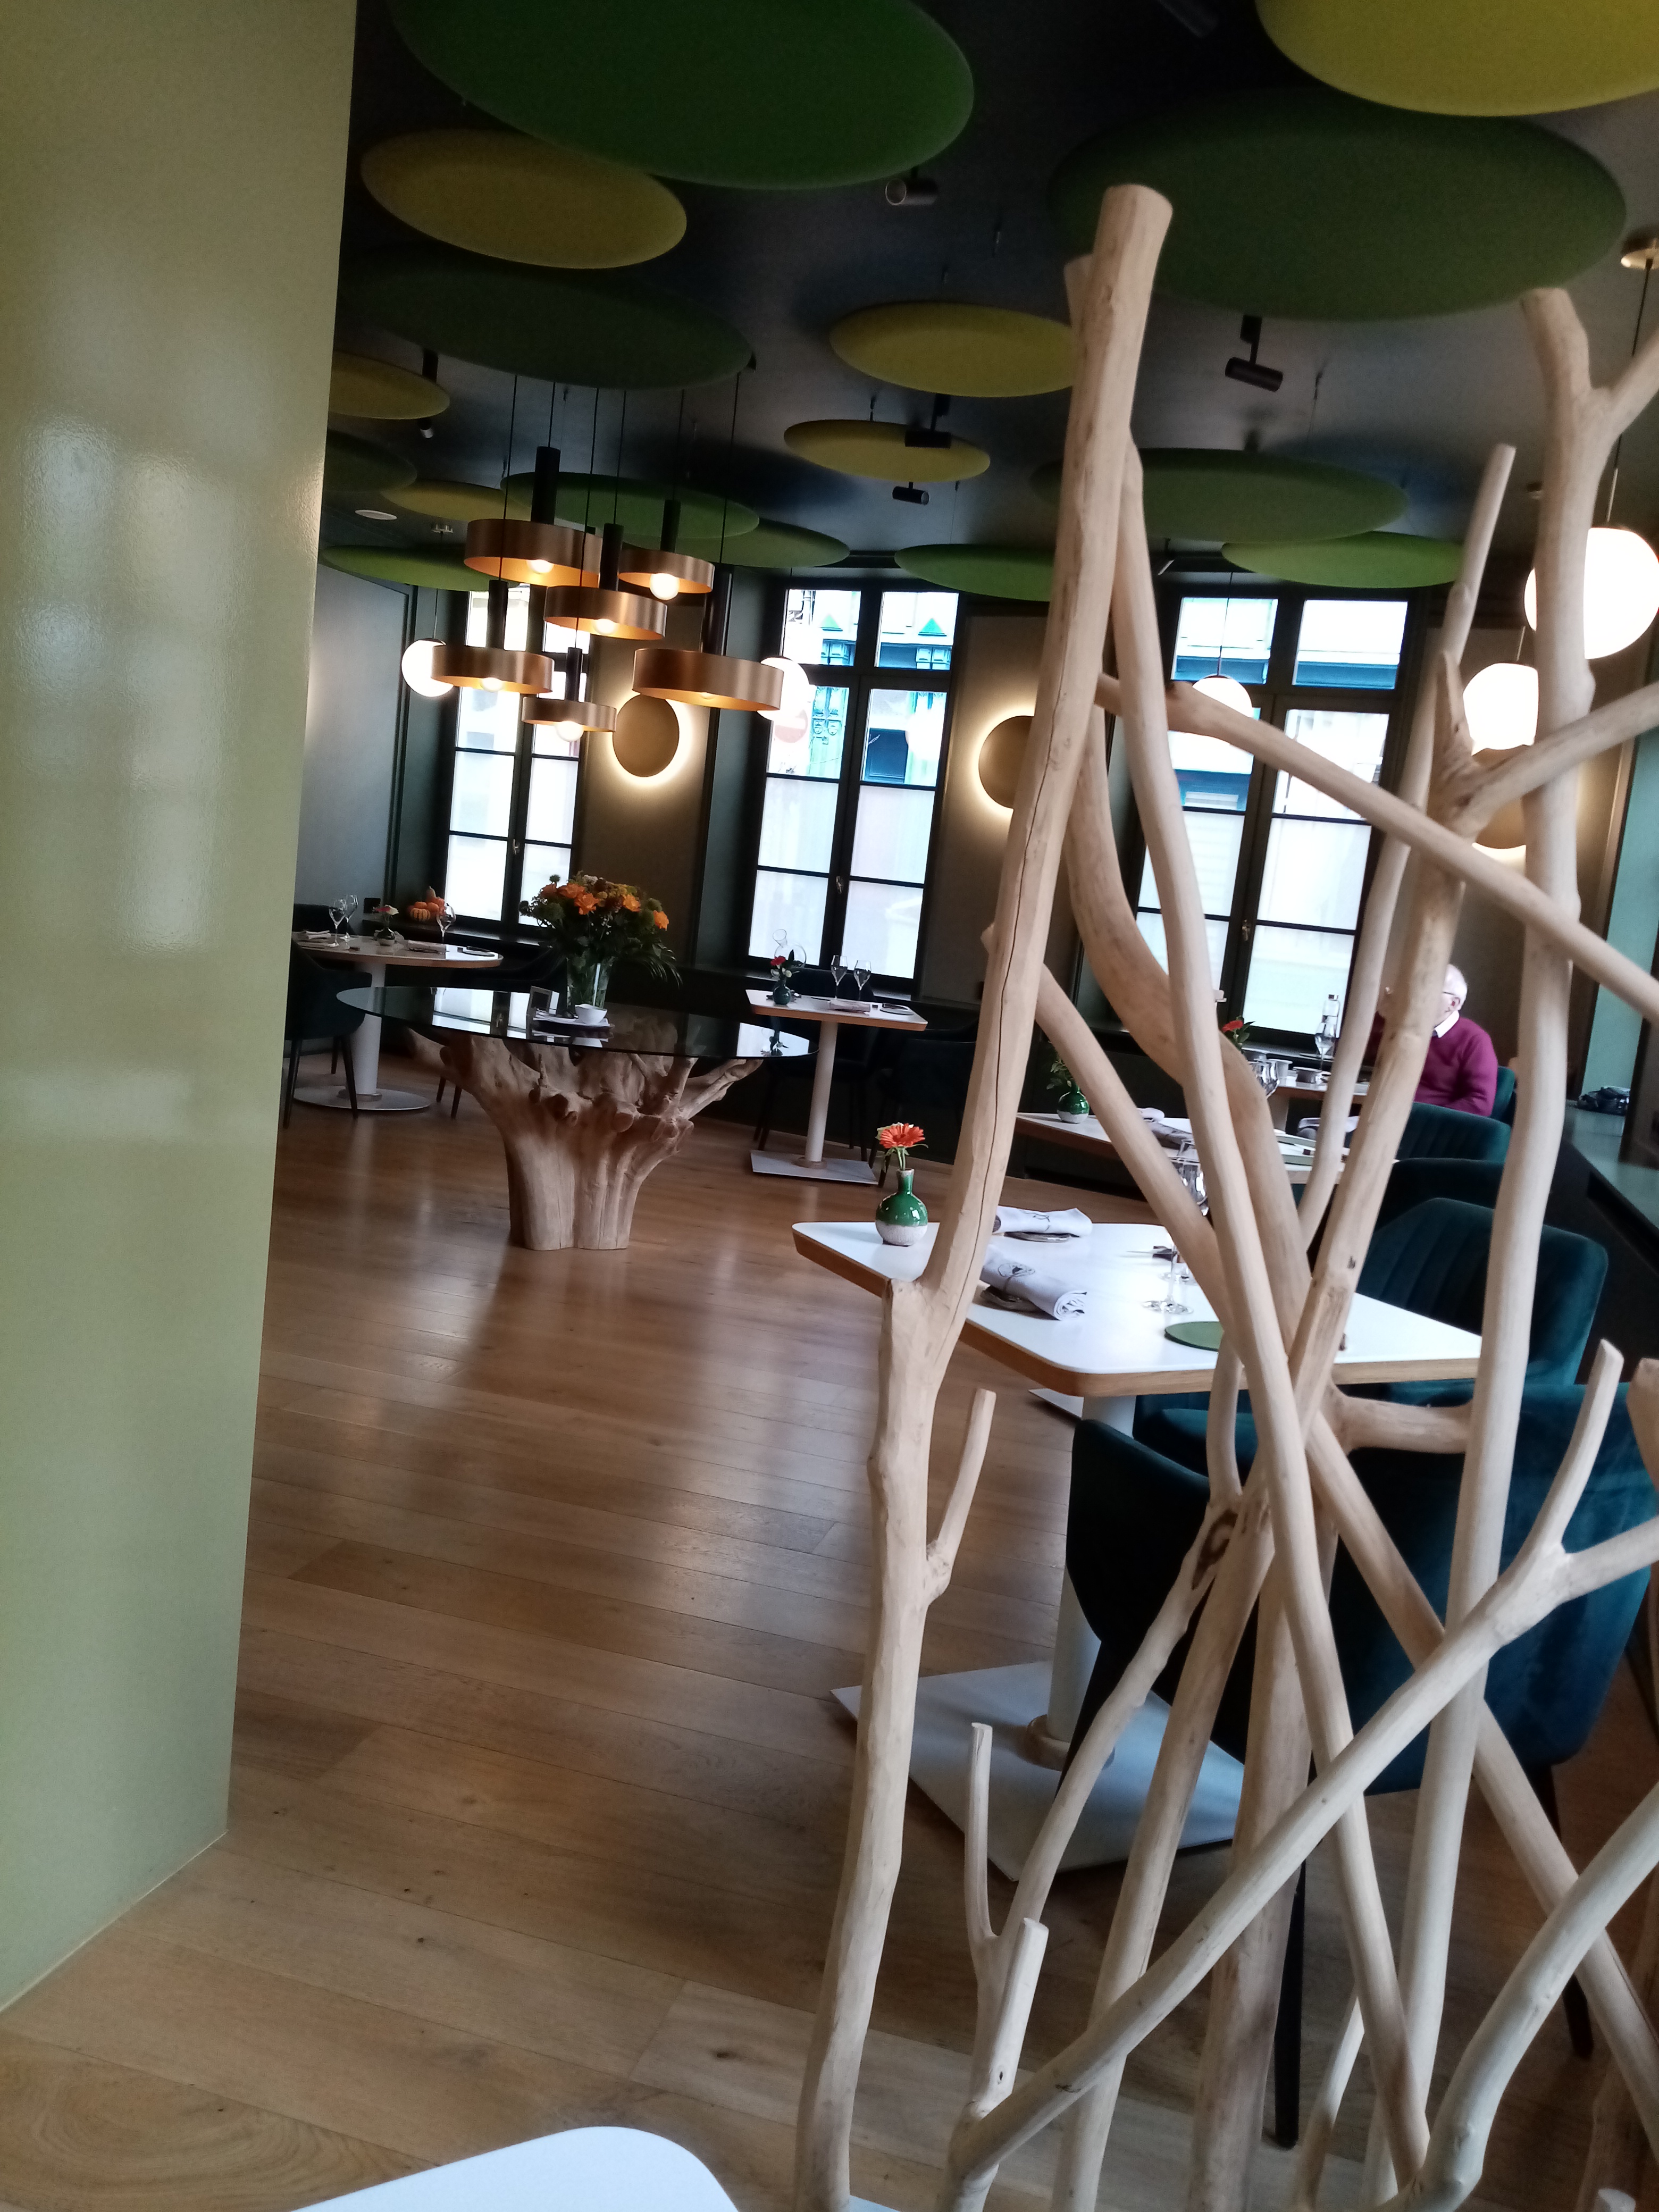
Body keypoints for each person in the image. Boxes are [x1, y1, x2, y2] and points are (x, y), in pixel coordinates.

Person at [1367, 964, 1498, 1116]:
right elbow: (1366, 1059)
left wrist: (1422, 1118)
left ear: (1453, 1004)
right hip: (1378, 1113)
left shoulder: (1475, 1040)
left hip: (1424, 1124)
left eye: (1427, 990)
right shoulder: (1405, 1027)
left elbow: (1480, 1104)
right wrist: (1383, 1016)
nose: (1414, 996)